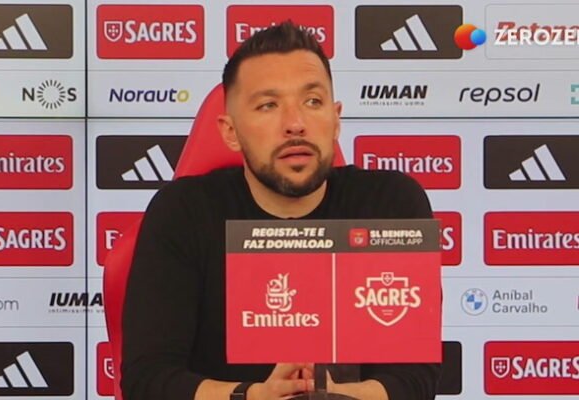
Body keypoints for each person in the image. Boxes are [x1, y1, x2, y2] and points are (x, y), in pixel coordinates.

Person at [121, 21, 441, 400]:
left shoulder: (390, 204)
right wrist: (253, 396)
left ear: (336, 119)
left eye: (313, 102)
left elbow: (415, 378)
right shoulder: (183, 211)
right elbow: (148, 380)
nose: (295, 124)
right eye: (268, 105)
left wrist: (336, 396)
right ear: (230, 132)